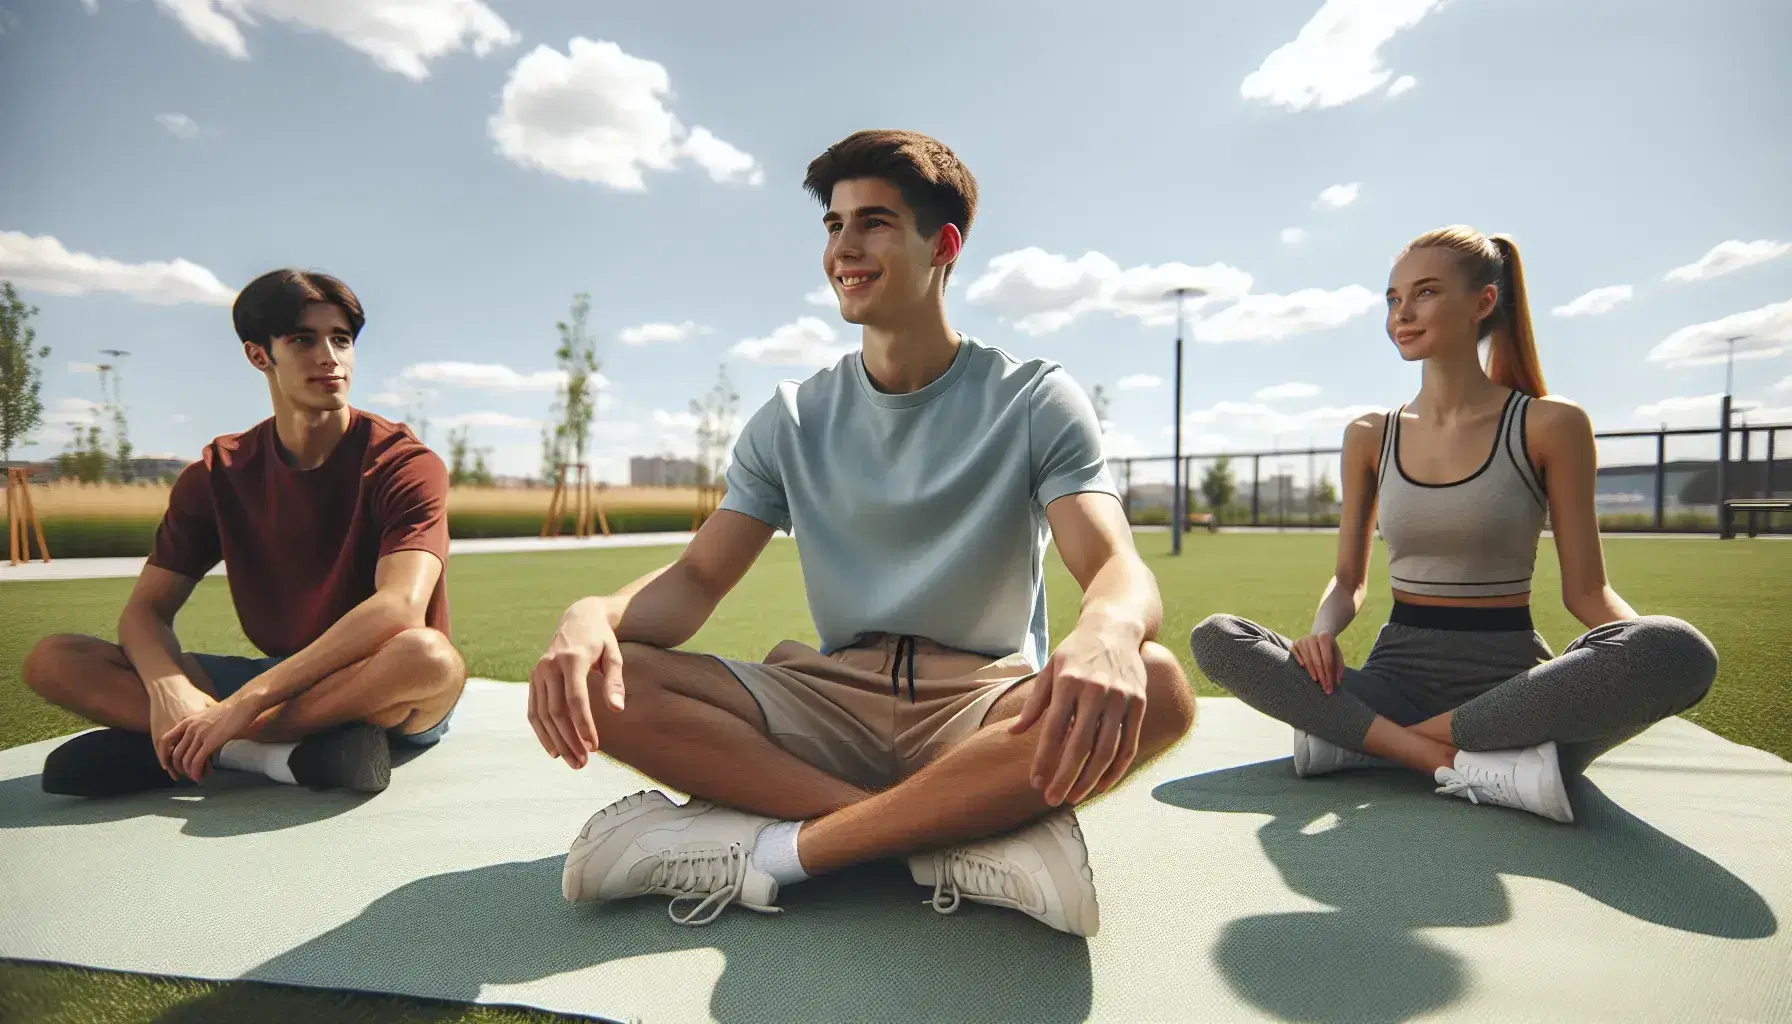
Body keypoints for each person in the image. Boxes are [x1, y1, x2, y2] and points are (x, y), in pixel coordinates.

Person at [529, 130, 1196, 936]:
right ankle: (941, 838)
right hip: (827, 698)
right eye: (834, 225)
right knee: (614, 675)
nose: (844, 246)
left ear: (943, 245)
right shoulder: (793, 417)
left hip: (980, 704)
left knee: (1158, 685)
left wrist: (1109, 629)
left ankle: (781, 852)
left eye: (874, 222)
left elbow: (1114, 564)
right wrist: (590, 615)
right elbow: (696, 582)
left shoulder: (1033, 399)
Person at [1189, 226, 1718, 824]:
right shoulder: (1370, 434)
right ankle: (1451, 758)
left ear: (1484, 302)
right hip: (1395, 676)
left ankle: (1370, 743)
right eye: (1392, 299)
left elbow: (1586, 593)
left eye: (1426, 293)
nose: (1402, 314)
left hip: (1509, 691)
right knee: (1218, 636)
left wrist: (1635, 660)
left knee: (1679, 648)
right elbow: (1348, 580)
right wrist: (1321, 634)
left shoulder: (1551, 425)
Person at [24, 269, 466, 798]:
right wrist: (168, 691)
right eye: (303, 339)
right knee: (54, 659)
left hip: (370, 680)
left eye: (341, 339)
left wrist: (243, 704)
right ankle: (275, 755)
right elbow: (145, 612)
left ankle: (210, 744)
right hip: (285, 680)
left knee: (429, 659)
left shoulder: (405, 464)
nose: (330, 356)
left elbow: (398, 609)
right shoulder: (217, 473)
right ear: (259, 356)